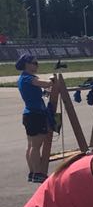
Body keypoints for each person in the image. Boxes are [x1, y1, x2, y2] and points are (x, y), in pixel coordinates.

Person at [16, 52, 55, 182]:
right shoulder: (28, 78)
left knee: (31, 145)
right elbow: (46, 83)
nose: (37, 65)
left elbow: (41, 90)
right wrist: (53, 78)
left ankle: (33, 172)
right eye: (34, 63)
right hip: (35, 114)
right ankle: (38, 173)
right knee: (36, 146)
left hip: (30, 114)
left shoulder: (24, 78)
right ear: (27, 64)